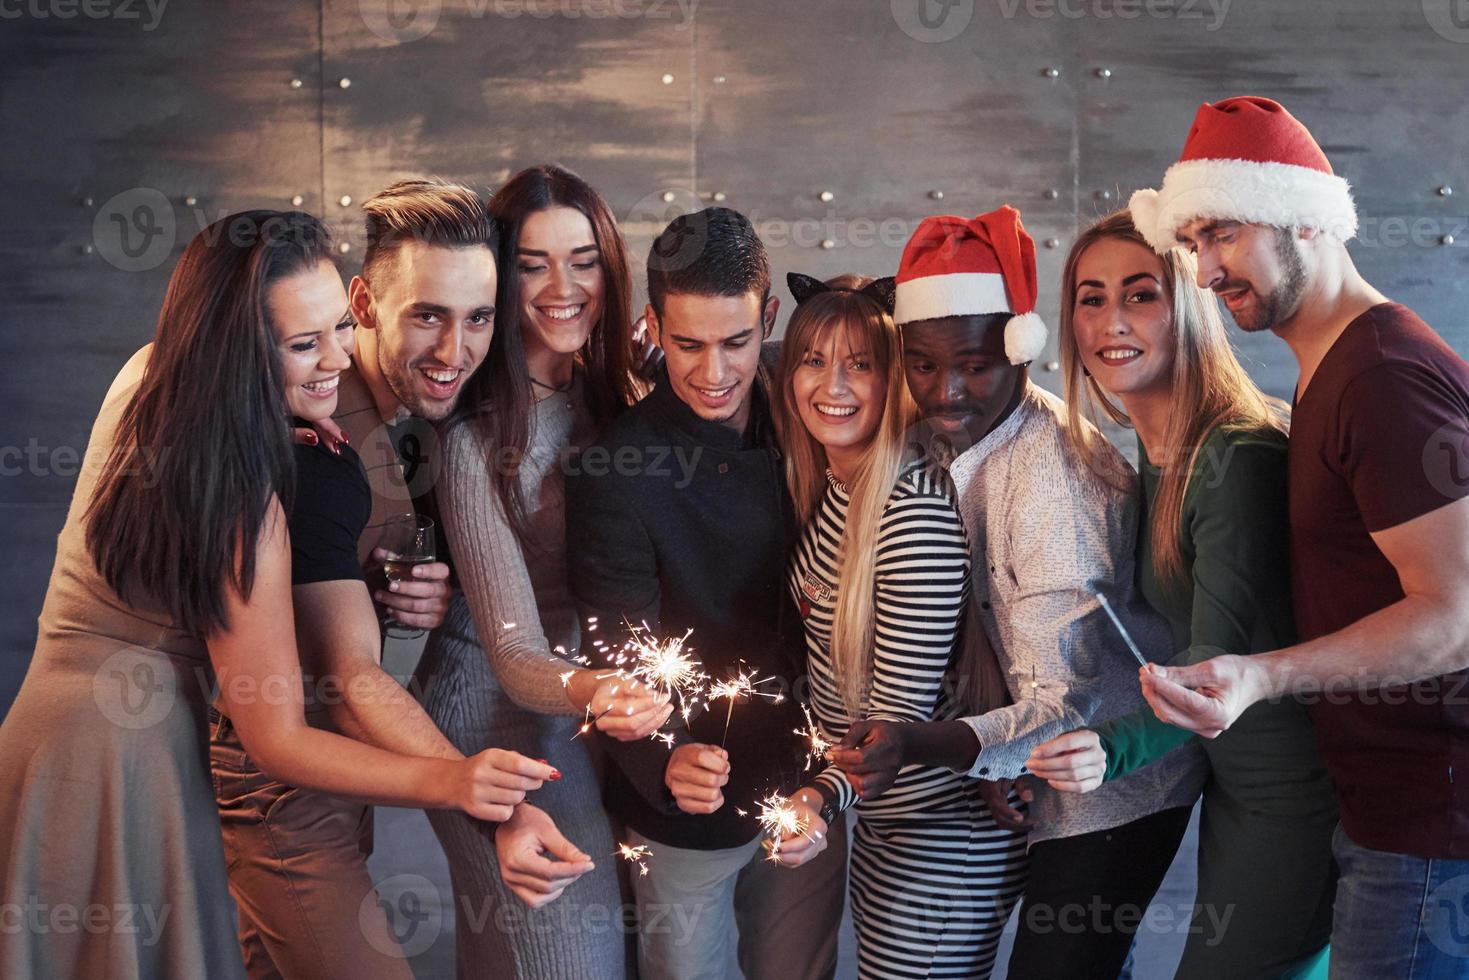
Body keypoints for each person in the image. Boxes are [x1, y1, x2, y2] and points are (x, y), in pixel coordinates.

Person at [0, 211, 554, 980]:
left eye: (337, 328)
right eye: (302, 345)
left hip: (48, 732)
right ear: (236, 353)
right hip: (130, 755)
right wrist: (457, 779)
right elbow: (284, 733)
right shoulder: (251, 486)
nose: (336, 360)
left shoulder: (152, 377)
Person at [1125, 95, 1469, 975]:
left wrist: (1261, 675)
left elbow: (1455, 616)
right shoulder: (1333, 368)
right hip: (1391, 822)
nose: (1203, 272)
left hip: (1431, 832)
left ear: (1302, 222)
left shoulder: (1383, 376)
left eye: (1222, 234)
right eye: (1192, 243)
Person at [826, 206, 1206, 980]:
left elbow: (1062, 703)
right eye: (923, 365)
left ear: (1019, 350)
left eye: (972, 363)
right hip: (1032, 763)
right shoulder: (941, 434)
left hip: (1118, 776)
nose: (947, 389)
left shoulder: (1051, 482)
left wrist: (915, 744)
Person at [1025, 209, 1337, 979]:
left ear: (1188, 305)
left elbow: (1212, 659)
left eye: (1140, 294)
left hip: (1292, 799)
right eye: (1090, 298)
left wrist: (1107, 749)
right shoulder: (1154, 451)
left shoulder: (1234, 450)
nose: (1109, 321)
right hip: (1229, 786)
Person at [566, 208, 848, 980]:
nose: (713, 371)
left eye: (735, 341)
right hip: (683, 805)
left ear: (769, 317)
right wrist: (666, 755)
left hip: (809, 784)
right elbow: (617, 645)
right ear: (653, 324)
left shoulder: (818, 410)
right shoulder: (614, 469)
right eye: (687, 344)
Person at [412, 164, 669, 979]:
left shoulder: (625, 389)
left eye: (583, 259)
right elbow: (517, 654)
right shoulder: (473, 438)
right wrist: (601, 691)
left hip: (599, 709)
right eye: (531, 264)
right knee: (567, 959)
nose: (563, 287)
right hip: (499, 712)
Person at [768, 272, 1029, 979]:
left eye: (861, 364)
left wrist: (818, 795)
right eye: (814, 361)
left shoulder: (908, 514)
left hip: (941, 831)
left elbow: (895, 725)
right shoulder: (836, 489)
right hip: (888, 821)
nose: (834, 385)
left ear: (894, 383)